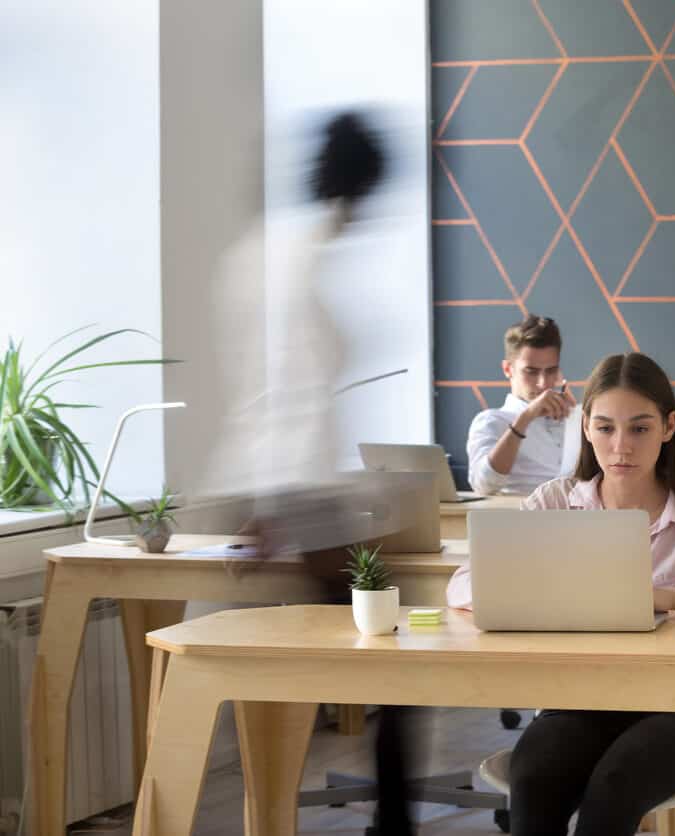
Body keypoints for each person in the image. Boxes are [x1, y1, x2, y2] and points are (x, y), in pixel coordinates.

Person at [447, 352, 675, 836]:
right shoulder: (555, 501)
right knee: (535, 782)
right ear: (585, 427)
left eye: (640, 428)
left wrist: (673, 597)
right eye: (606, 428)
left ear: (669, 427)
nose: (621, 446)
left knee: (613, 788)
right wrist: (546, 588)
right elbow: (462, 583)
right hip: (577, 699)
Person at [207, 111, 418, 836]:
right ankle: (391, 823)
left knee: (373, 657)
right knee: (398, 655)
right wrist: (271, 513)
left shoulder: (272, 250)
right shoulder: (295, 260)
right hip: (294, 496)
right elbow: (284, 397)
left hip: (287, 491)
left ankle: (349, 818)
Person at [465, 314, 578, 495]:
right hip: (521, 518)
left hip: (577, 518)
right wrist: (525, 418)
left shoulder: (572, 419)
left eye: (551, 371)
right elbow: (484, 485)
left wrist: (580, 422)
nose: (543, 383)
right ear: (508, 369)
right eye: (531, 372)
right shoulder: (491, 421)